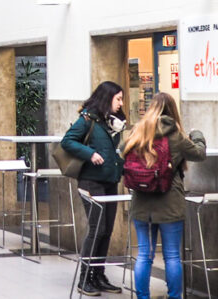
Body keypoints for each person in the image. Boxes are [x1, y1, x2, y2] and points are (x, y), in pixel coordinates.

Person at [118, 92, 206, 299]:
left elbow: (122, 151)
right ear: (172, 110)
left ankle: (142, 296)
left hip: (141, 203)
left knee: (144, 255)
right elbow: (199, 154)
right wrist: (198, 135)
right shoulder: (175, 134)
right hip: (169, 202)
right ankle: (174, 297)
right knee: (172, 256)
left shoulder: (138, 131)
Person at [61, 81, 128, 296]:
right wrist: (89, 153)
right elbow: (67, 141)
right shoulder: (87, 119)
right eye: (118, 98)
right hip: (91, 181)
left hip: (110, 180)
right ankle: (84, 278)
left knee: (107, 230)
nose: (121, 103)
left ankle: (98, 275)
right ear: (106, 98)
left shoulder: (112, 122)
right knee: (96, 229)